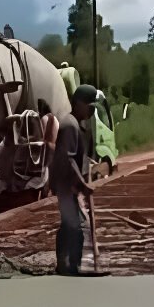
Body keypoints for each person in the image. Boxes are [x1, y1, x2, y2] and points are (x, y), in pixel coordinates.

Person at [49, 84, 97, 276]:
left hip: (68, 186)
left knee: (70, 224)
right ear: (78, 104)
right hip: (65, 185)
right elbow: (68, 159)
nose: (91, 109)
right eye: (89, 105)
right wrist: (83, 184)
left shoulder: (75, 124)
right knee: (75, 227)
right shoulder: (69, 125)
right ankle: (70, 267)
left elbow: (77, 157)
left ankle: (65, 264)